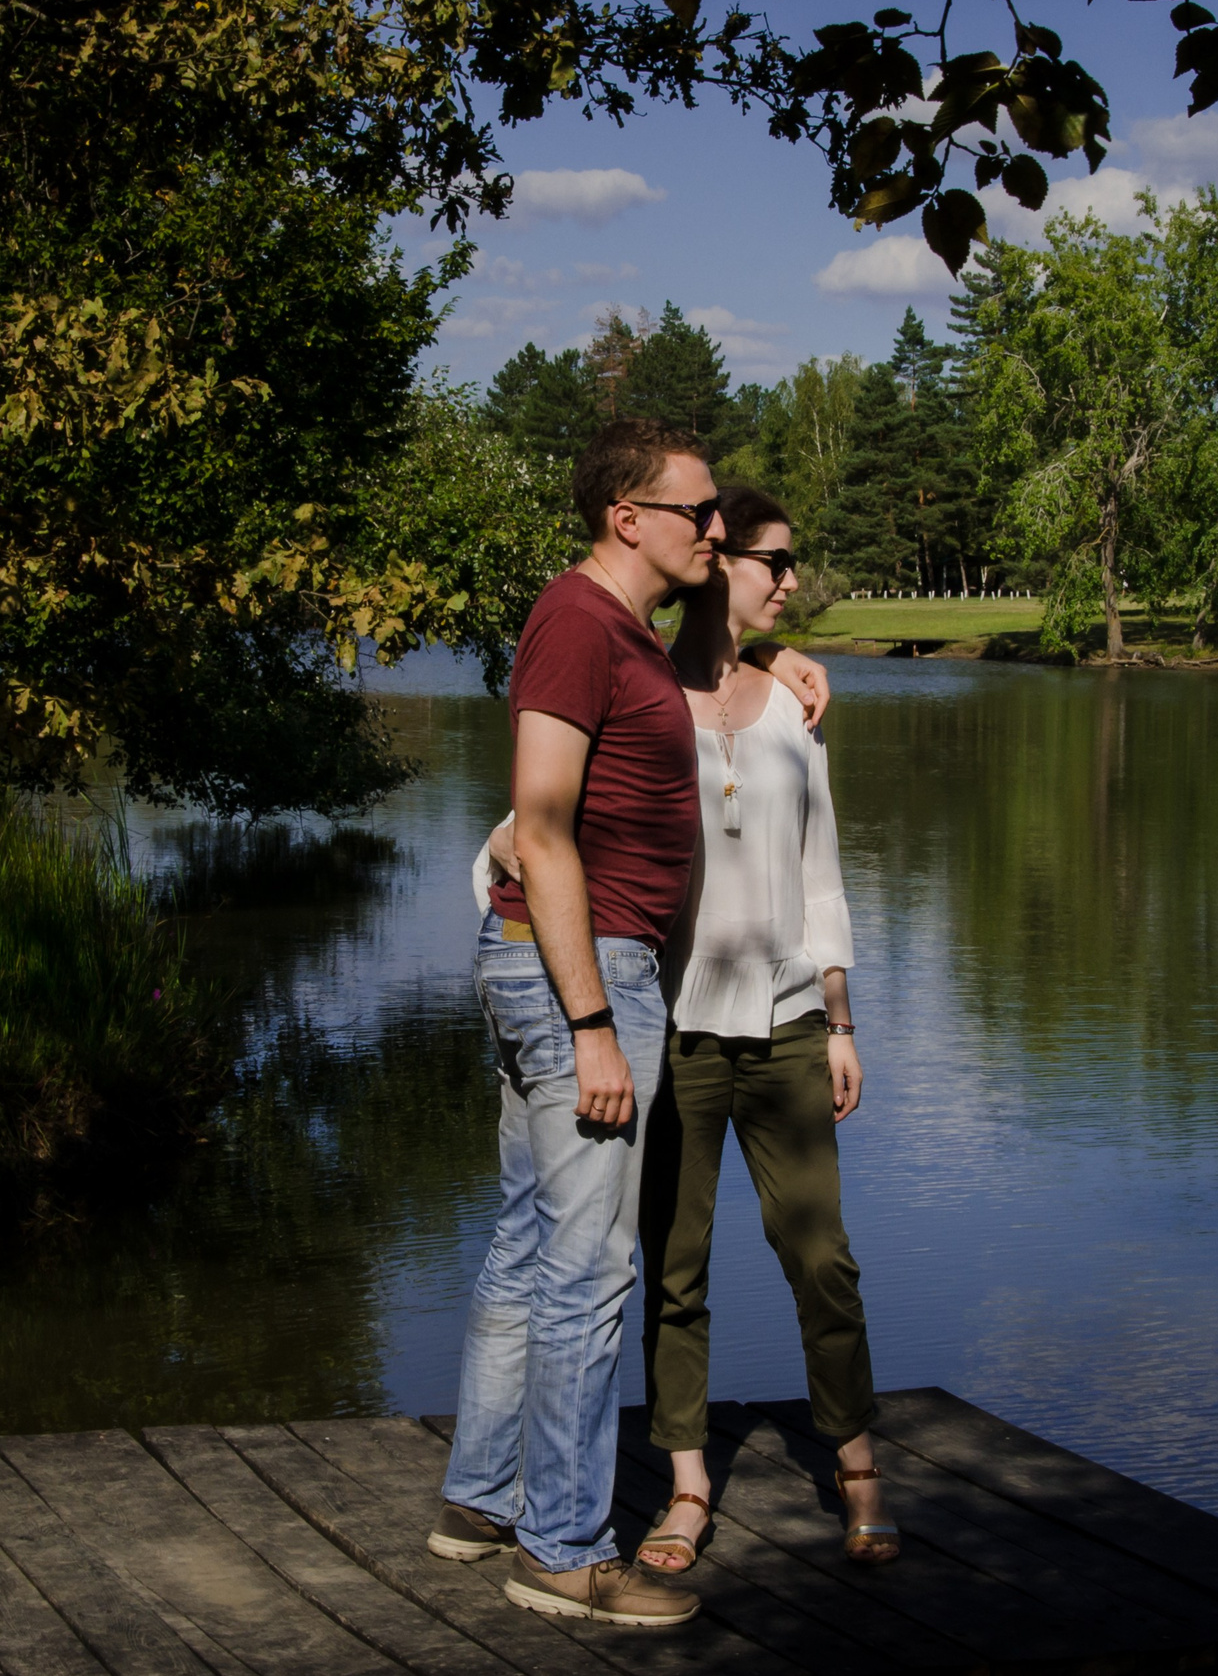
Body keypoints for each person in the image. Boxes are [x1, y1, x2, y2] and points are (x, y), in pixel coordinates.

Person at [428, 423, 831, 1629]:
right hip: (583, 970)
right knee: (591, 1266)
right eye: (697, 512)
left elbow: (707, 678)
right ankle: (561, 1548)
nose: (717, 529)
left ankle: (480, 1501)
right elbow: (543, 824)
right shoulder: (575, 621)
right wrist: (593, 1022)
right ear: (627, 518)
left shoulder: (625, 633)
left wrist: (786, 654)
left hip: (574, 965)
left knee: (529, 1240)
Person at [486, 486, 897, 1575]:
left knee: (822, 1258)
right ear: (719, 568)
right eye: (774, 562)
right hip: (672, 1029)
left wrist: (841, 1019)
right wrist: (504, 859)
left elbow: (821, 872)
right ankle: (686, 1486)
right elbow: (538, 825)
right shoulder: (645, 694)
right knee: (674, 1269)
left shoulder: (795, 706)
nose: (790, 581)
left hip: (791, 1023)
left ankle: (856, 1465)